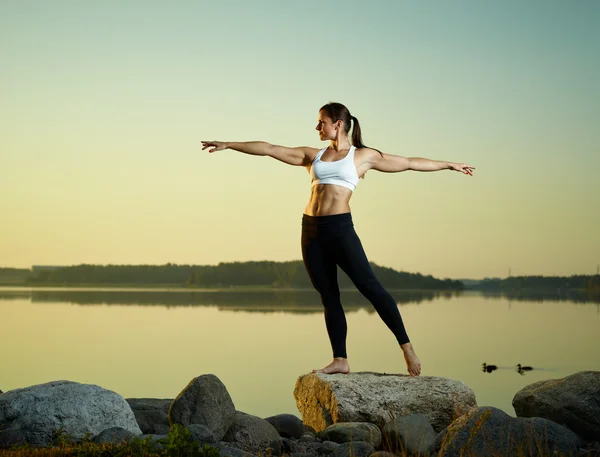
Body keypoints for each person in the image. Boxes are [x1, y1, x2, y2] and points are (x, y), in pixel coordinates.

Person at [202, 102, 475, 377]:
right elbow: (271, 149)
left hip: (340, 230)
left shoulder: (363, 156)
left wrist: (448, 165)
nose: (317, 127)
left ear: (338, 124)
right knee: (328, 296)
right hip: (310, 231)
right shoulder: (314, 156)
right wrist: (229, 144)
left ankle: (406, 347)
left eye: (321, 122)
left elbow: (409, 163)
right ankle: (340, 359)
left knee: (371, 288)